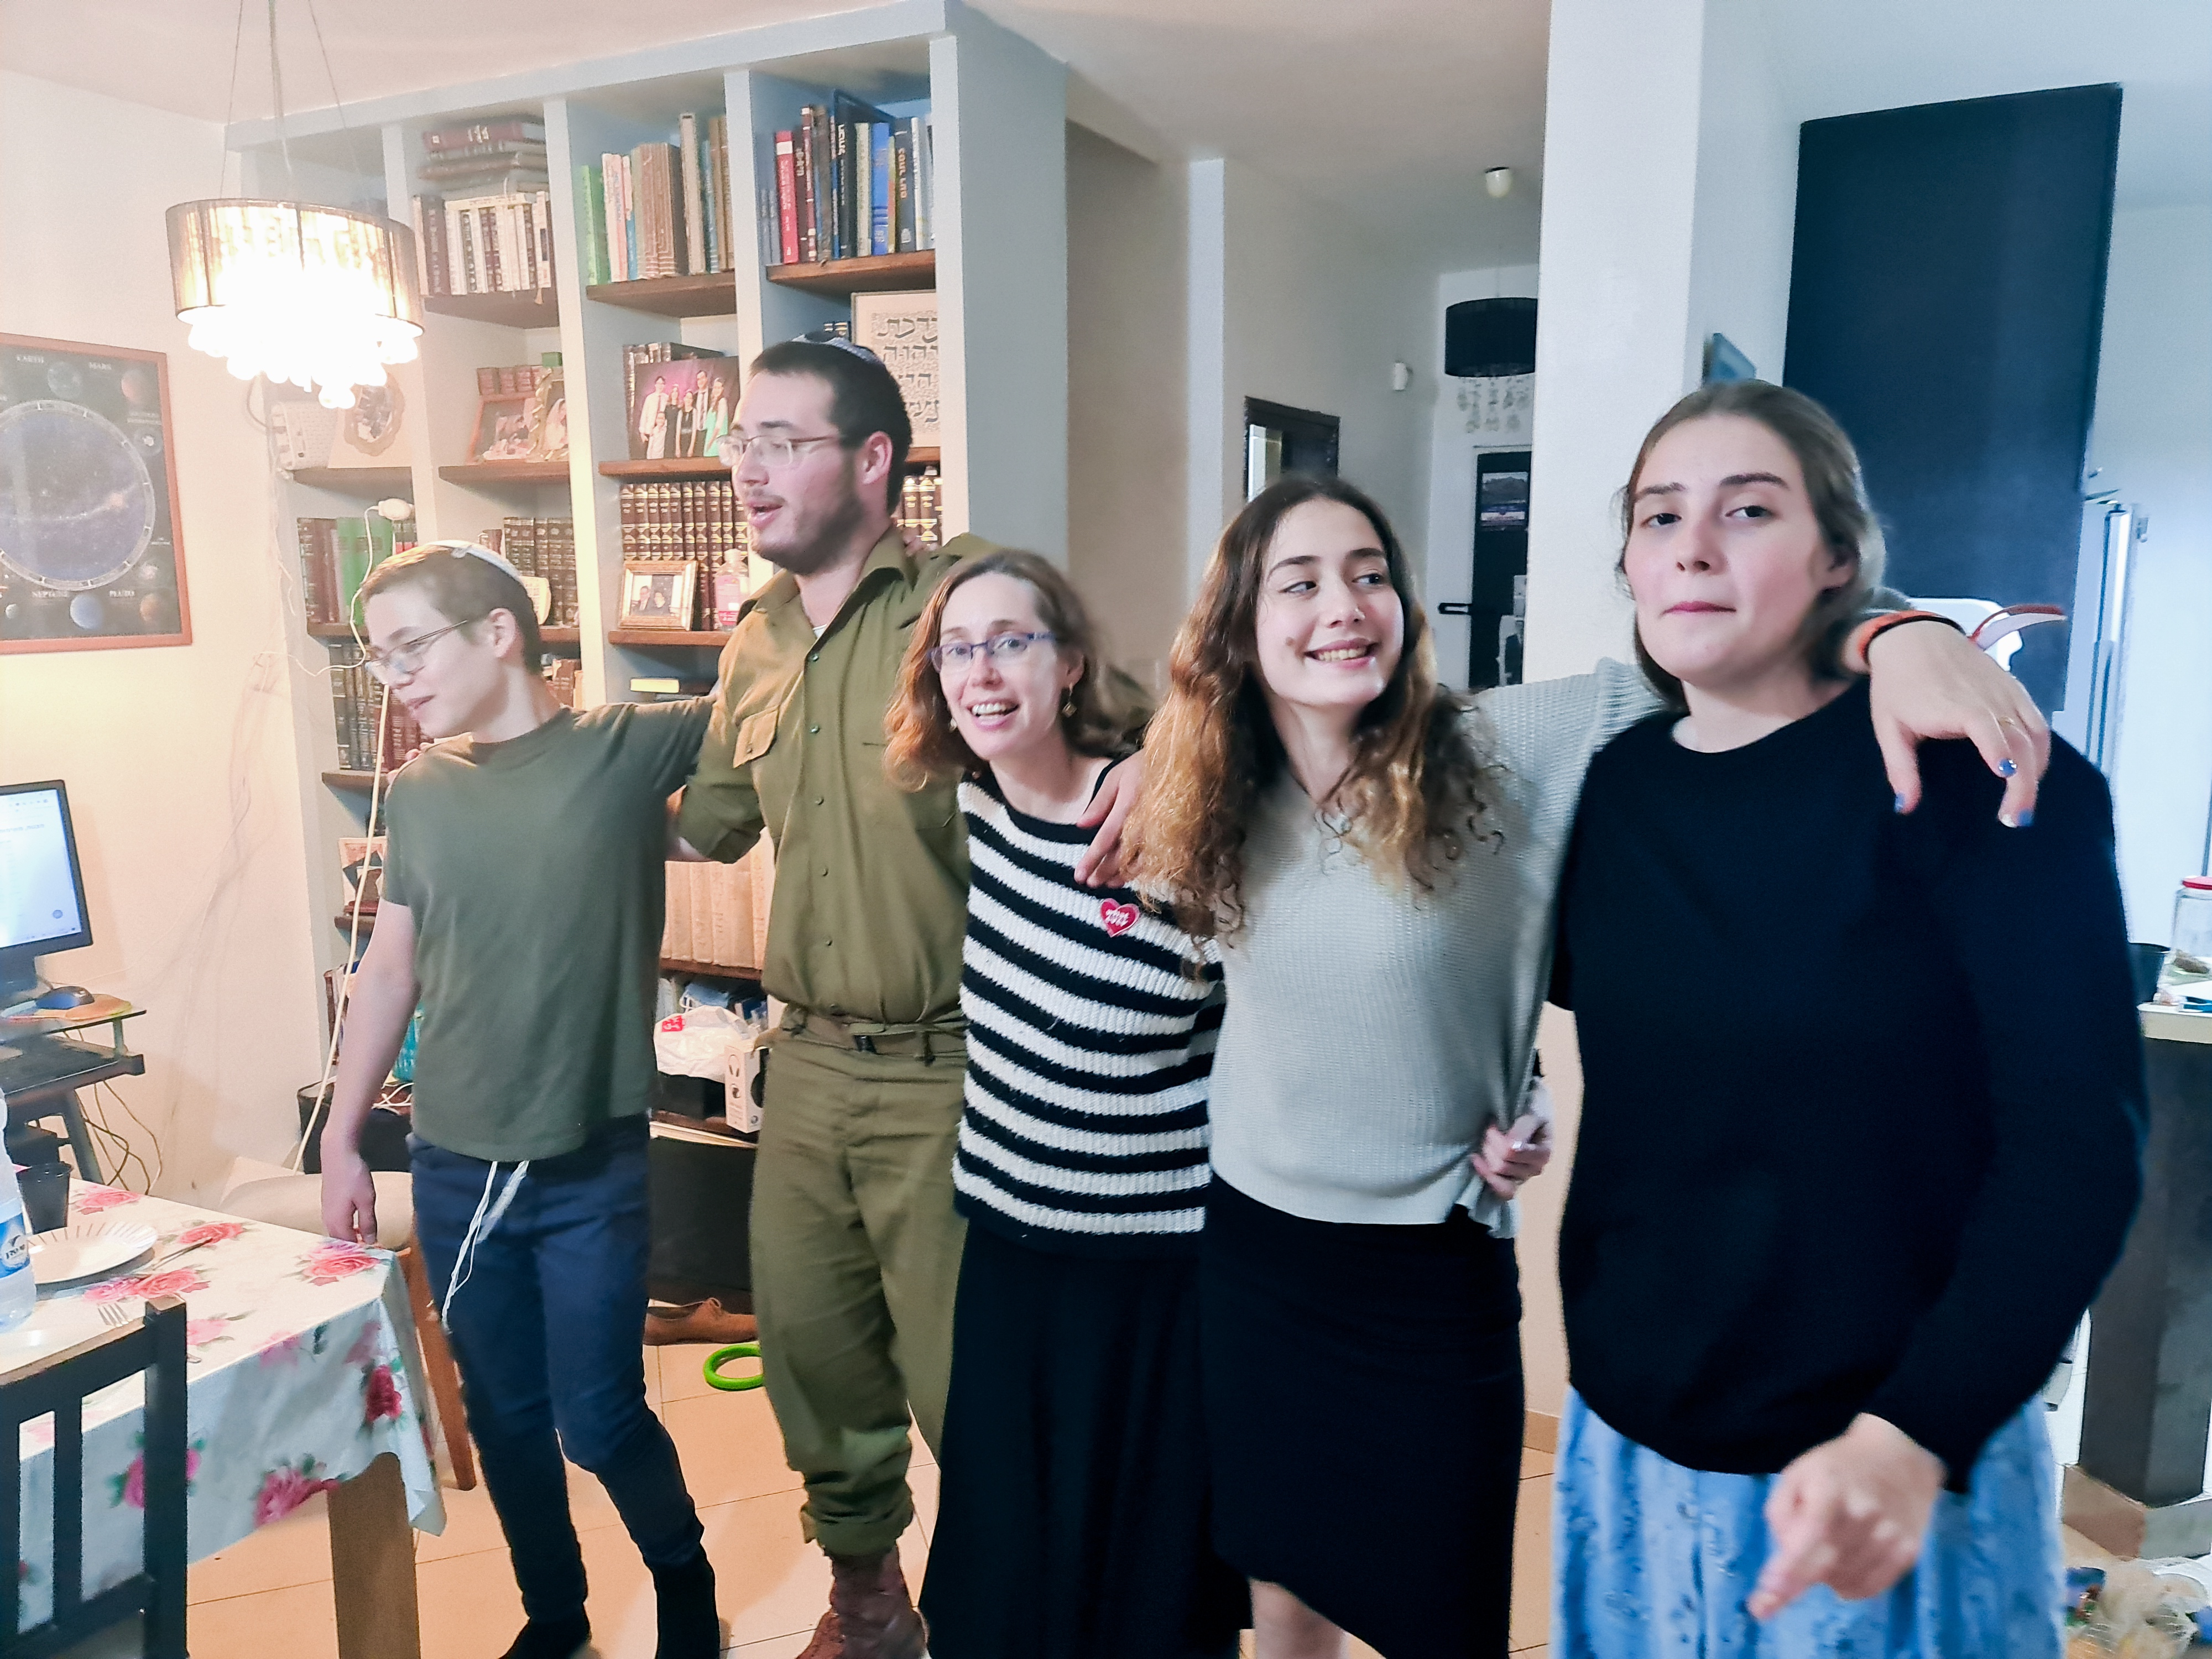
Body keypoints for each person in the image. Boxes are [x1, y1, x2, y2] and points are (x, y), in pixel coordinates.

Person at [1125, 473, 2055, 1659]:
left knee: (1437, 1613)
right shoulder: (1206, 789)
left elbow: (1725, 648)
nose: (1343, 607)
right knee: (1282, 1591)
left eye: (1369, 575)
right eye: (1298, 585)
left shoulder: (1495, 748)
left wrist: (1898, 632)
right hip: (1256, 1259)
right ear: (1240, 629)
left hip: (1425, 1276)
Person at [1547, 379, 2143, 1656]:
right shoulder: (1617, 785)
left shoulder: (1977, 781)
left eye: (1746, 509)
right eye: (1658, 517)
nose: (1691, 548)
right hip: (1630, 1442)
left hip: (1877, 1470)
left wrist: (1912, 1433)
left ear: (1834, 557)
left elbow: (2078, 1153)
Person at [671, 338, 1139, 1659]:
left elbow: (1138, 732)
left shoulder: (967, 602)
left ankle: (1018, 1618)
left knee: (975, 1390)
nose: (748, 469)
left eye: (782, 442)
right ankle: (869, 1607)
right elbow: (708, 821)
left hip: (958, 1071)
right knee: (814, 1364)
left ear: (874, 460)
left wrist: (1152, 768)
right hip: (801, 1069)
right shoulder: (756, 642)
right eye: (741, 442)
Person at [319, 544, 722, 1659]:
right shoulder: (422, 789)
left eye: (411, 646)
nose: (394, 676)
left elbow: (781, 697)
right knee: (504, 1415)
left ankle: (685, 1581)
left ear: (499, 633)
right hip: (453, 1160)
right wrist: (343, 1141)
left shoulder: (626, 747)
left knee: (600, 1415)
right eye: (379, 657)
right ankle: (556, 1616)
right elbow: (388, 969)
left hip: (591, 1161)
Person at [881, 551, 1246, 1659]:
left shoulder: (1167, 822)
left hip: (1153, 1275)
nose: (982, 673)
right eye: (958, 651)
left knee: (1143, 1591)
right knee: (1004, 1580)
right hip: (1009, 1255)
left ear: (1073, 663)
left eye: (1012, 643)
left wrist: (1160, 753)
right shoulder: (974, 807)